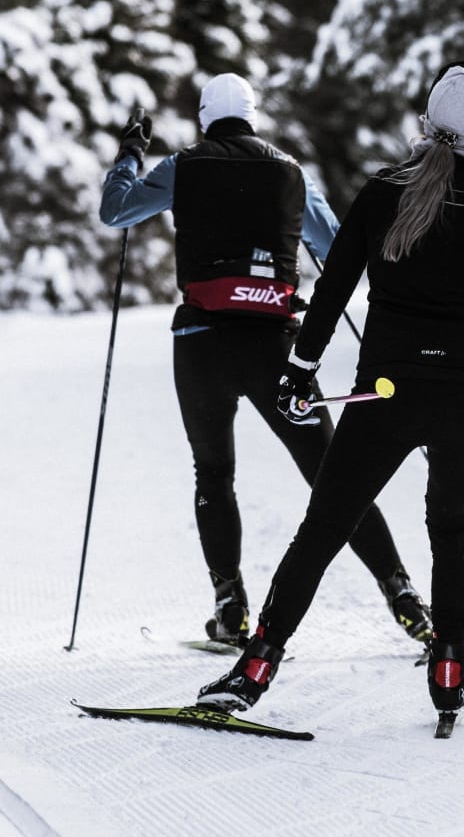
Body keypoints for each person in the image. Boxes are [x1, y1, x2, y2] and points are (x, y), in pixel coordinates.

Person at [197, 59, 464, 718]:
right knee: (453, 526)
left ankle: (258, 663)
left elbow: (332, 290)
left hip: (386, 391)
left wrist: (300, 371)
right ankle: (450, 665)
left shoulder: (382, 191)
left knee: (325, 526)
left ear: (427, 118)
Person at [99, 73, 432, 648]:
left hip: (202, 343)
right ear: (253, 116)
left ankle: (231, 608)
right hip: (276, 347)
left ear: (207, 117)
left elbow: (117, 213)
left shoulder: (184, 165)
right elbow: (335, 252)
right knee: (333, 476)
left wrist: (130, 153)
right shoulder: (291, 172)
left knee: (214, 474)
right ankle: (403, 594)